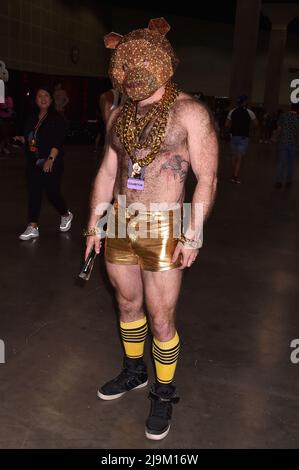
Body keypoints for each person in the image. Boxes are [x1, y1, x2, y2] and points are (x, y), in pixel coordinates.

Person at [84, 18, 218, 441]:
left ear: (162, 61)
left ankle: (163, 392)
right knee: (127, 304)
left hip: (165, 224)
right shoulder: (120, 112)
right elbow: (109, 171)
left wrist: (193, 233)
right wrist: (94, 224)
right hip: (121, 221)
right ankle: (134, 371)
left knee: (162, 318)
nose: (131, 72)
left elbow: (208, 178)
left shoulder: (190, 112)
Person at [17, 86, 73, 240]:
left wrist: (50, 159)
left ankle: (65, 214)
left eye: (46, 95)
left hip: (51, 161)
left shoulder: (57, 118)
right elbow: (31, 135)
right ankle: (33, 226)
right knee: (34, 192)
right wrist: (24, 139)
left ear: (51, 99)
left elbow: (58, 141)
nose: (43, 98)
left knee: (51, 192)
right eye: (39, 95)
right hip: (33, 161)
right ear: (35, 99)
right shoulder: (31, 117)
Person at [225, 95, 258, 183]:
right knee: (239, 158)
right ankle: (235, 176)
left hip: (233, 136)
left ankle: (234, 173)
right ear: (245, 102)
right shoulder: (249, 112)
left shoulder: (232, 111)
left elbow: (226, 124)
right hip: (243, 137)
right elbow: (256, 124)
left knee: (234, 156)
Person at [275, 103, 299, 189]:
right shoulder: (297, 118)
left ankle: (278, 182)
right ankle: (289, 181)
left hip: (283, 142)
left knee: (281, 162)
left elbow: (278, 129)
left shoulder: (283, 116)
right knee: (291, 163)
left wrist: (275, 138)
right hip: (293, 143)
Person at [0, 86, 14, 156]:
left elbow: (10, 108)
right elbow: (2, 106)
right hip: (1, 118)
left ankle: (5, 148)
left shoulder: (9, 98)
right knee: (2, 133)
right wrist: (5, 108)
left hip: (7, 118)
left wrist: (6, 108)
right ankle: (2, 148)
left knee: (6, 133)